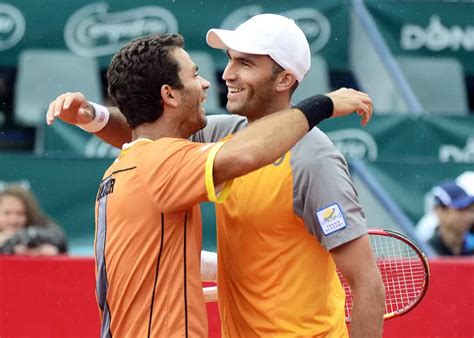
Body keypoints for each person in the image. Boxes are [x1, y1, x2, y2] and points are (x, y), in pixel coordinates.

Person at [47, 32, 372, 337]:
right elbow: (247, 153)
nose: (216, 78)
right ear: (168, 94)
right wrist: (322, 105)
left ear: (285, 78)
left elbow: (145, 128)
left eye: (244, 63)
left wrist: (93, 117)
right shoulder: (170, 160)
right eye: (195, 74)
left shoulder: (130, 165)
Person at [0, 185, 67, 255]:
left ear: (30, 214)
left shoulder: (42, 226)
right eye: (6, 213)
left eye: (19, 214)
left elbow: (59, 238)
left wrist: (34, 249)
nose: (13, 220)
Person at [423, 177, 474, 256]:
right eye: (460, 209)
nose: (469, 216)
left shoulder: (471, 245)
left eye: (470, 210)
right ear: (440, 211)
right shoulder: (425, 251)